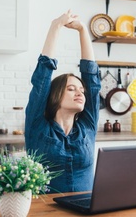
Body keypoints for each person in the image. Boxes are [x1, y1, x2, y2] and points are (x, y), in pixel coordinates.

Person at [25, 10, 101, 193]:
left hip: (86, 209)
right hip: (47, 211)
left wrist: (83, 30)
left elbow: (91, 79)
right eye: (71, 89)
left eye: (81, 90)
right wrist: (56, 26)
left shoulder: (88, 126)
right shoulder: (38, 127)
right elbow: (42, 77)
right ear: (55, 95)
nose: (80, 93)